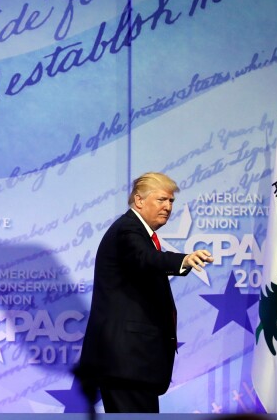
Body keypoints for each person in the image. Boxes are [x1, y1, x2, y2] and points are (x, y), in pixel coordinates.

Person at [77, 172, 213, 413]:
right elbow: (146, 258)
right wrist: (185, 259)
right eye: (161, 200)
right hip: (126, 362)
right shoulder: (128, 229)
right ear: (139, 201)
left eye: (171, 201)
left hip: (133, 364)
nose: (168, 207)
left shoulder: (138, 232)